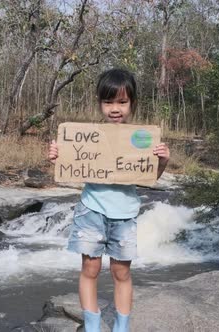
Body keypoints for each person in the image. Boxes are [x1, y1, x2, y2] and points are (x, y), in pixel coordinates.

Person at [48, 68, 170, 332]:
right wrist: (60, 154)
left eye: (122, 102)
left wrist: (162, 160)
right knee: (89, 269)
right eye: (108, 102)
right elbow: (71, 164)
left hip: (125, 214)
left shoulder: (141, 139)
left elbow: (150, 177)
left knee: (121, 273)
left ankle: (120, 328)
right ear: (100, 103)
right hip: (91, 210)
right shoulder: (88, 135)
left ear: (132, 104)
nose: (115, 109)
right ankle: (92, 326)